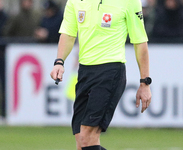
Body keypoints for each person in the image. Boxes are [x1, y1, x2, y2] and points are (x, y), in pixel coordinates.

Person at [50, 0, 152, 149]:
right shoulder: (74, 1)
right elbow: (68, 33)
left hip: (110, 72)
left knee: (87, 137)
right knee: (81, 140)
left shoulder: (129, 1)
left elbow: (140, 42)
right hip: (84, 72)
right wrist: (59, 62)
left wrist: (145, 82)